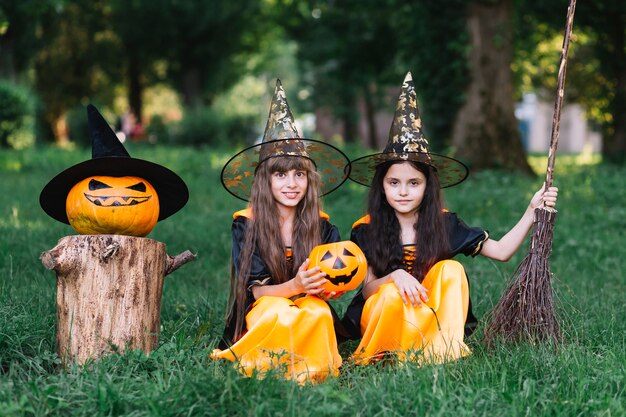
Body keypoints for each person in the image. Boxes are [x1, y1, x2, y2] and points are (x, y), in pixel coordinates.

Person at [341, 72, 558, 365]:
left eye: (413, 183)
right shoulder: (366, 228)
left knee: (451, 270)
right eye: (394, 183)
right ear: (382, 185)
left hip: (427, 317)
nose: (403, 192)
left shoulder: (443, 223)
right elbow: (367, 290)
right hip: (383, 317)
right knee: (390, 295)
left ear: (428, 186)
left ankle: (442, 349)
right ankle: (386, 354)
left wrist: (531, 211)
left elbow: (503, 252)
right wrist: (394, 276)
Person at [211, 80, 351, 383]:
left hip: (306, 301)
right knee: (275, 310)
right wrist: (297, 284)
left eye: (299, 174)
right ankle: (271, 368)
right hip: (265, 304)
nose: (292, 184)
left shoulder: (324, 227)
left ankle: (313, 371)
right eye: (281, 174)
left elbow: (333, 280)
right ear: (266, 180)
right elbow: (258, 291)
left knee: (317, 311)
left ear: (309, 180)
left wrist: (328, 287)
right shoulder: (246, 224)